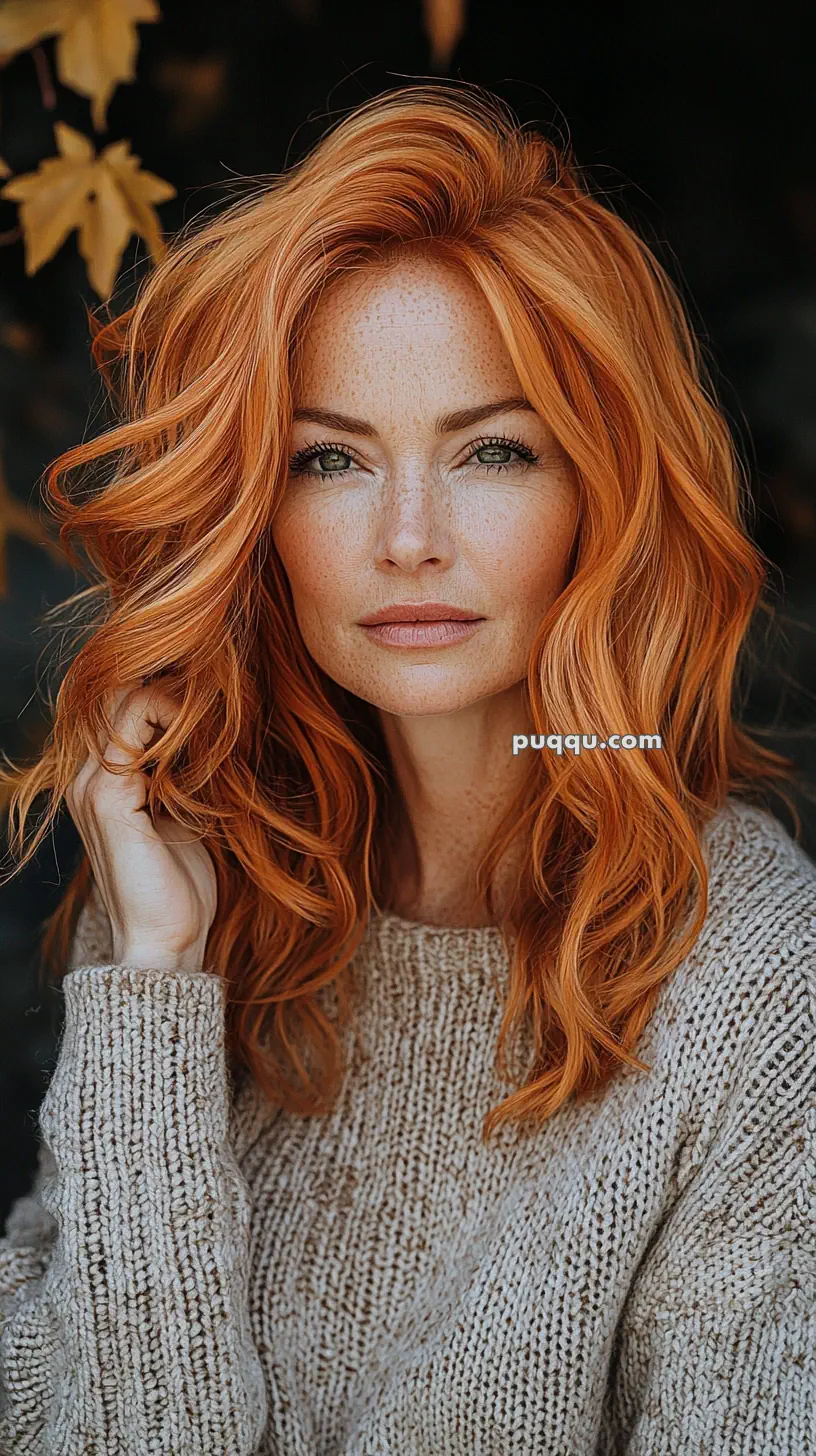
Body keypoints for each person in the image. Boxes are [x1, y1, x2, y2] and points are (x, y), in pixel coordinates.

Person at [0, 82, 814, 1456]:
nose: (410, 536)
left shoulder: (751, 979)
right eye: (332, 459)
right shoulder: (207, 894)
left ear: (602, 496)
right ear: (259, 510)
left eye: (492, 449)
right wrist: (152, 980)